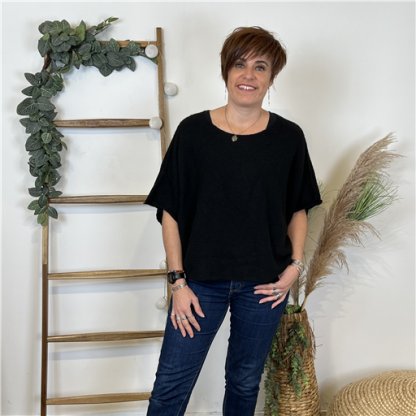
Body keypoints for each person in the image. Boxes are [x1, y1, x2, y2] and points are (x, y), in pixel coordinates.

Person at [144, 26, 322, 416]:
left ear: (272, 78)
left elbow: (298, 209)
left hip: (263, 286)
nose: (249, 75)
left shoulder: (288, 138)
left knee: (244, 381)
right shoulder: (193, 132)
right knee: (170, 386)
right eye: (240, 64)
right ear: (225, 71)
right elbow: (170, 210)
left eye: (261, 67)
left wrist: (295, 267)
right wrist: (177, 281)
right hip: (198, 283)